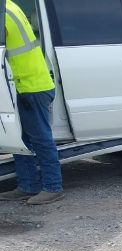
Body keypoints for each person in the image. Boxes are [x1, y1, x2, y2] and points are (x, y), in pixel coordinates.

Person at [0, 0, 63, 205]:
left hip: (32, 85)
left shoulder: (4, 11)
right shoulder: (9, 5)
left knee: (40, 139)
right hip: (26, 84)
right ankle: (27, 186)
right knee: (21, 141)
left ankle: (53, 187)